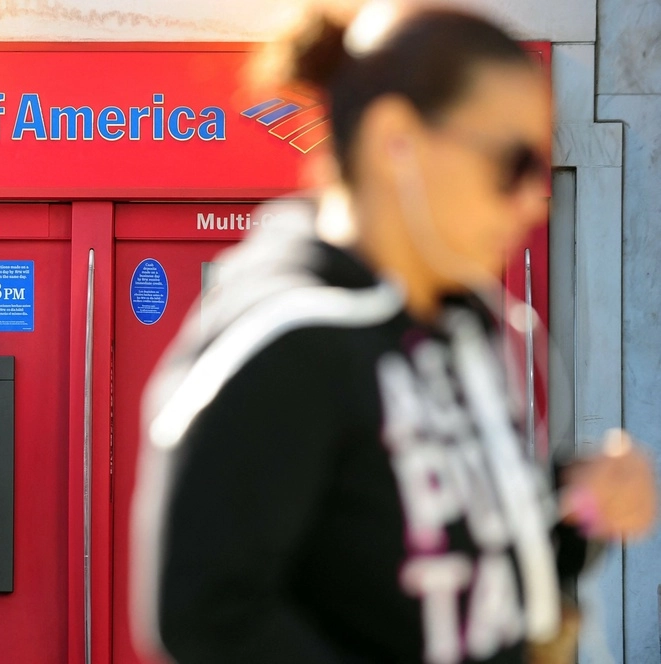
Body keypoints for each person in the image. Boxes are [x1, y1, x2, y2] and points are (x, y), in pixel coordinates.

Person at [129, 3, 656, 663]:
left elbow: (442, 569)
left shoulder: (456, 322)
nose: (530, 198)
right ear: (394, 141)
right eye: (513, 162)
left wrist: (575, 509)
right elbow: (206, 615)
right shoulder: (289, 339)